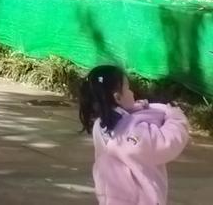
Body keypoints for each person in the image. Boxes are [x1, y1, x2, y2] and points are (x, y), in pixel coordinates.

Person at [79, 64, 190, 204]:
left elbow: (125, 118)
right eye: (128, 88)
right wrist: (176, 118)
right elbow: (164, 144)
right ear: (118, 97)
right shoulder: (130, 134)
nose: (132, 92)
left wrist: (139, 108)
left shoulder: (101, 125)